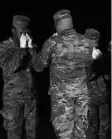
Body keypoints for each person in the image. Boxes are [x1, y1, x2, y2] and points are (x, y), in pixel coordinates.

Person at [31, 9, 101, 139]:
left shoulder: (53, 42)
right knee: (81, 134)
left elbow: (38, 66)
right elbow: (90, 73)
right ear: (71, 23)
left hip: (62, 99)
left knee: (64, 135)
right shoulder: (87, 42)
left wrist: (31, 50)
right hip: (82, 96)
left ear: (58, 26)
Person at [0, 15, 38, 139]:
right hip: (13, 98)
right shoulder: (3, 47)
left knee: (32, 133)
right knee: (14, 134)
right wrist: (21, 49)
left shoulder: (30, 45)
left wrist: (31, 49)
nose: (23, 35)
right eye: (20, 31)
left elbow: (38, 68)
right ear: (13, 30)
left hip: (31, 97)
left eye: (26, 32)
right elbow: (10, 67)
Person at [84, 29, 110, 139]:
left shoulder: (98, 53)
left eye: (97, 41)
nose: (97, 44)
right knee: (91, 127)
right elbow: (86, 77)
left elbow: (107, 75)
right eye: (94, 41)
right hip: (90, 98)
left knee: (104, 127)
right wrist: (92, 60)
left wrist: (101, 60)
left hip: (103, 96)